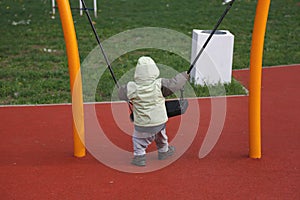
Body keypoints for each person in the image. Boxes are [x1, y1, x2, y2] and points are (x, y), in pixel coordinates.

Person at [118, 56, 189, 166]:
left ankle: (139, 156)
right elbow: (175, 83)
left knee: (139, 141)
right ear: (154, 71)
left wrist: (120, 89)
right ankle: (164, 151)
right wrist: (184, 76)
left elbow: (121, 94)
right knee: (161, 136)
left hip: (142, 123)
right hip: (159, 122)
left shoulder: (131, 88)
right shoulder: (160, 85)